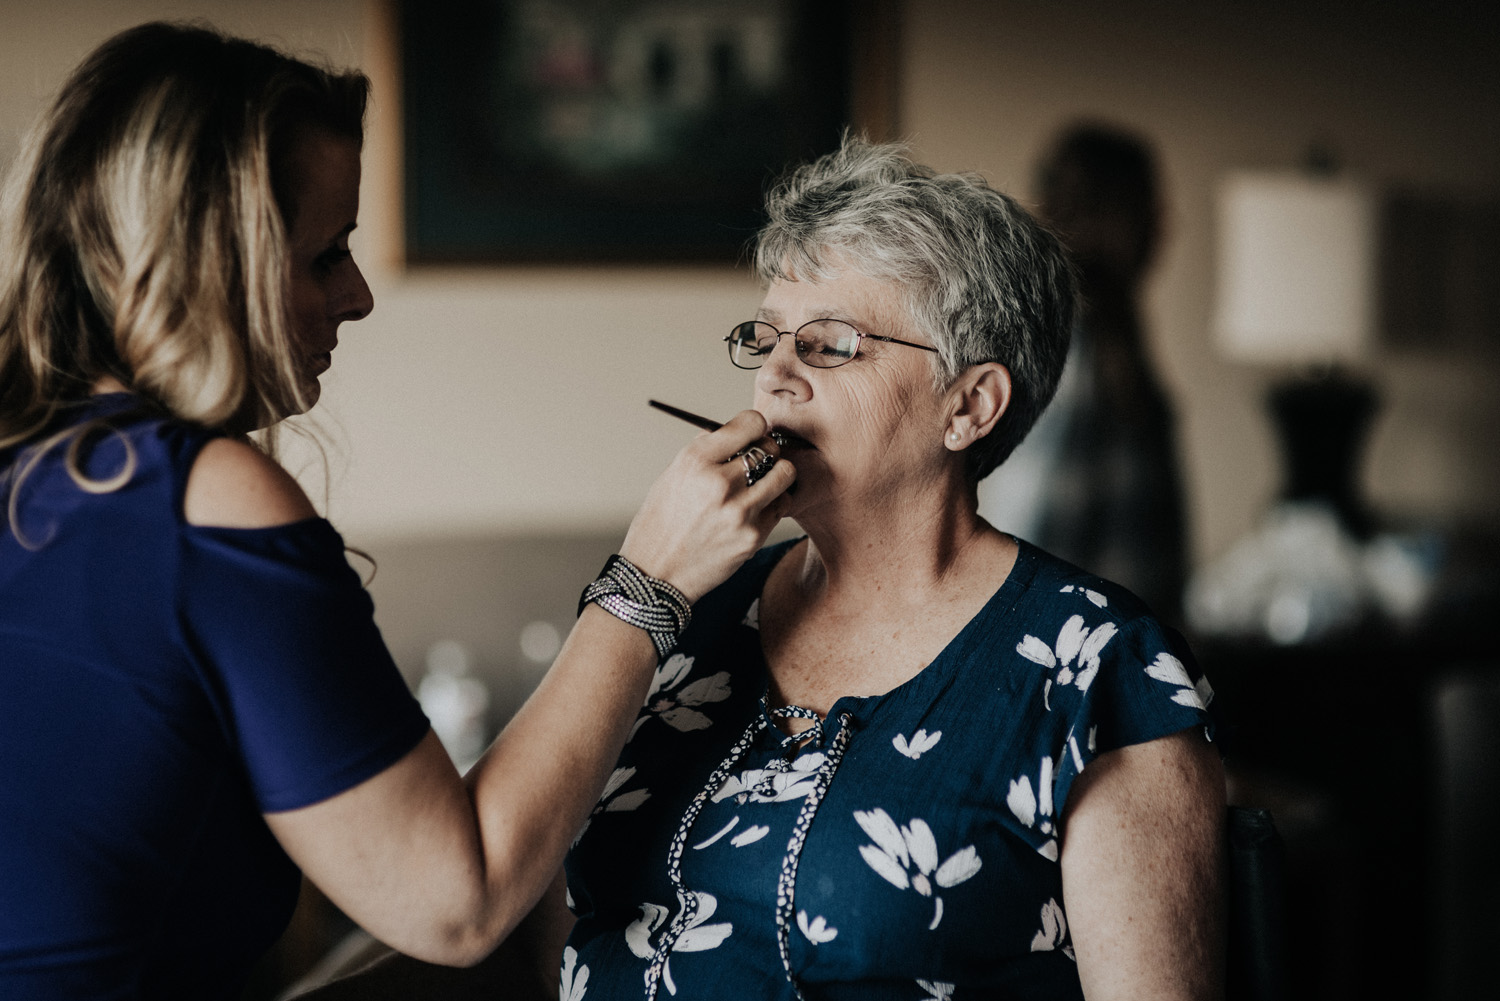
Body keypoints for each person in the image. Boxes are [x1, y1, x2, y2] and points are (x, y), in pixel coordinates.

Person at [308, 137, 1225, 1000]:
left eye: (829, 344)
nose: (775, 376)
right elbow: (541, 913)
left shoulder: (1099, 674)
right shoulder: (683, 612)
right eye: (768, 337)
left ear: (970, 406)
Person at [0, 22, 794, 1000]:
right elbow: (453, 900)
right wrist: (651, 579)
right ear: (211, 260)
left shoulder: (33, 472)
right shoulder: (197, 496)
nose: (361, 294)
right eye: (326, 254)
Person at [981, 122, 1189, 622]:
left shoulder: (1116, 330)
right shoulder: (1070, 347)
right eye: (1152, 207)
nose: (1167, 224)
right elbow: (1030, 531)